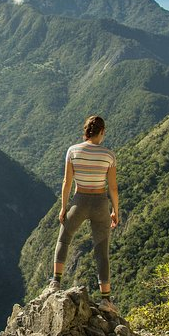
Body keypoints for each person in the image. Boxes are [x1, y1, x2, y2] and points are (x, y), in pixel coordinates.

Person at [49, 115, 119, 314]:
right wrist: (116, 211)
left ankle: (56, 282)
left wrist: (63, 208)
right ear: (102, 132)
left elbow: (67, 183)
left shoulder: (73, 151)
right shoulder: (109, 155)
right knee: (101, 249)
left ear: (86, 131)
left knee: (64, 239)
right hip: (100, 202)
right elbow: (112, 187)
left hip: (79, 200)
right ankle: (106, 299)